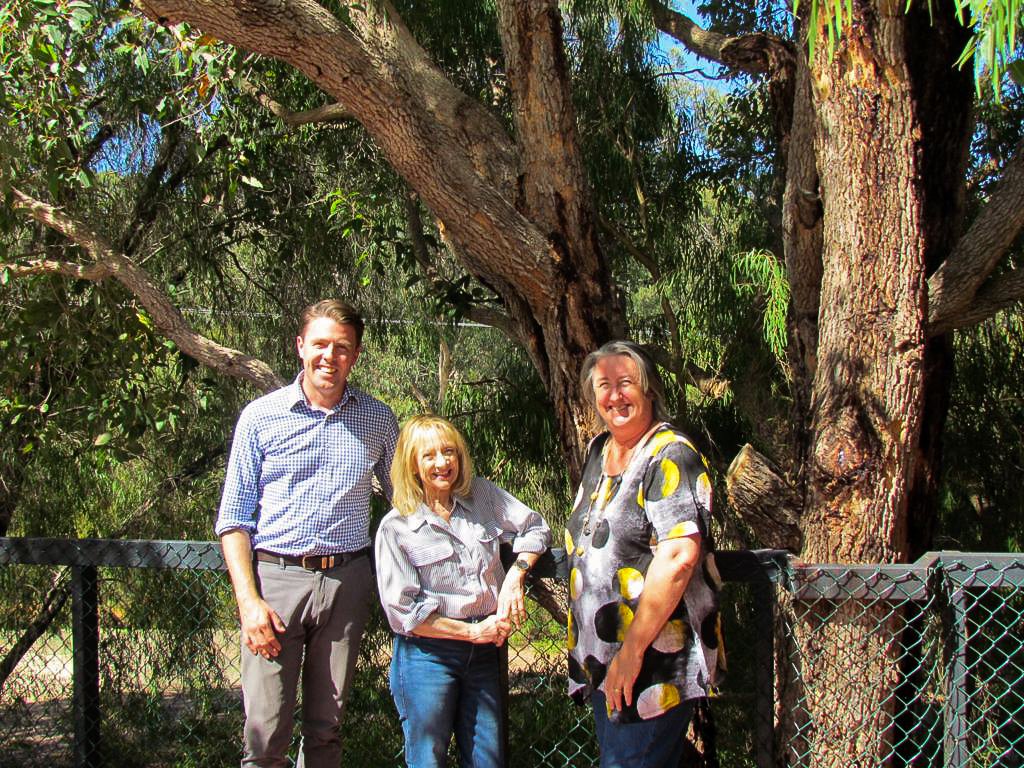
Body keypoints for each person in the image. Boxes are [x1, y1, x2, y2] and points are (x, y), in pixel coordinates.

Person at [215, 299, 398, 768]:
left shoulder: (378, 419)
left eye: (341, 348)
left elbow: (408, 500)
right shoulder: (261, 417)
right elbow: (233, 520)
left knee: (326, 729)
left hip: (347, 582)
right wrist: (249, 602)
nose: (329, 357)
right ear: (300, 347)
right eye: (319, 344)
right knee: (265, 736)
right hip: (276, 584)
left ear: (355, 355)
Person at [565, 340, 720, 767]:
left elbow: (678, 557)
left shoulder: (670, 453)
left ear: (649, 389)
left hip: (651, 662)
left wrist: (631, 652)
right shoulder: (600, 451)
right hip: (606, 660)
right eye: (604, 385)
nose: (614, 395)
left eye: (626, 383)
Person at [375, 415, 551, 768]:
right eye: (429, 455)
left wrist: (516, 574)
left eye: (449, 452)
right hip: (428, 657)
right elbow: (404, 613)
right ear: (411, 463)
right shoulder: (396, 528)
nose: (442, 463)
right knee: (428, 759)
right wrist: (471, 632)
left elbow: (536, 527)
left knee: (488, 759)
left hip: (486, 652)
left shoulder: (482, 495)